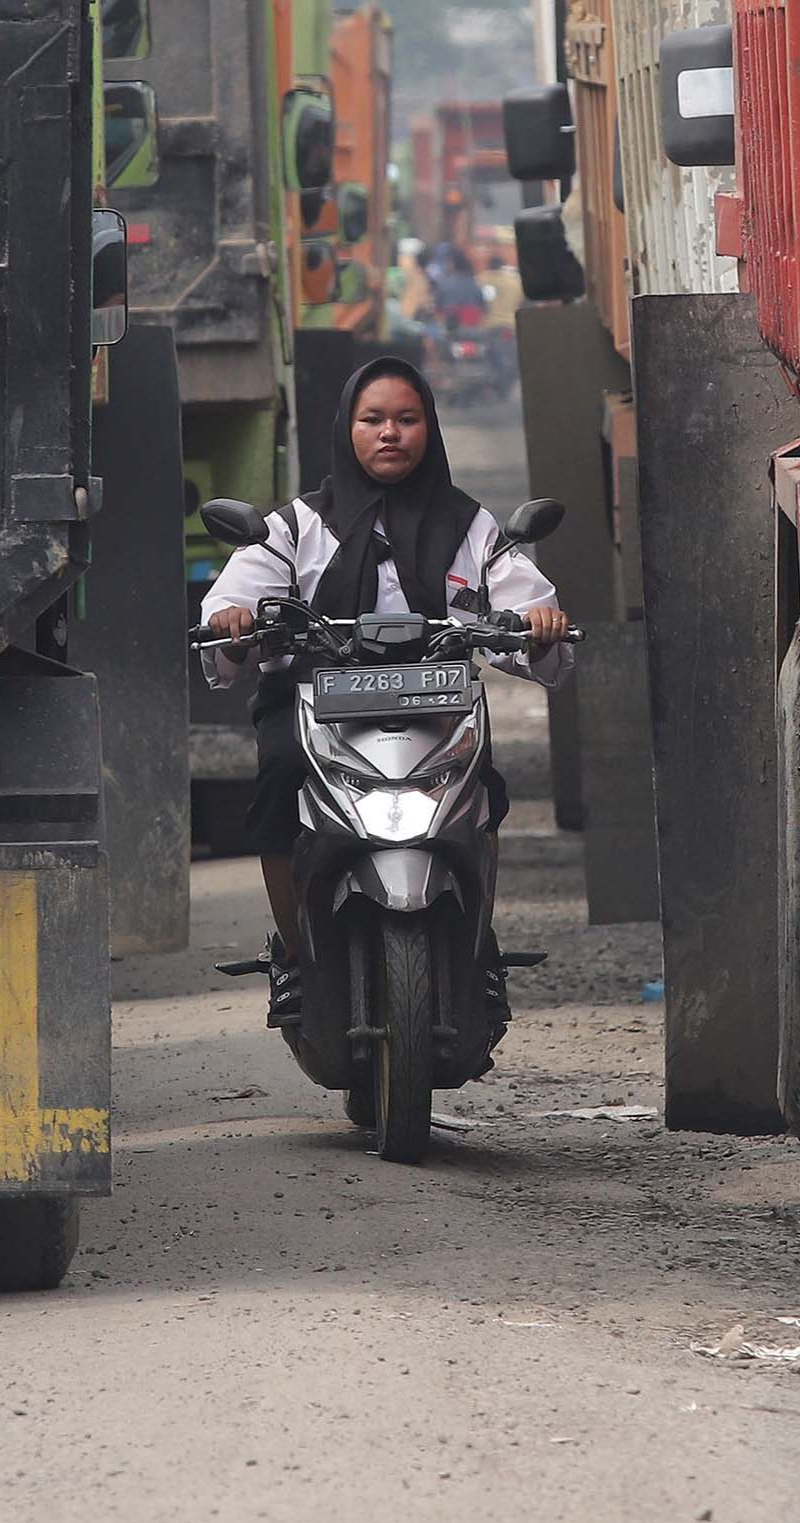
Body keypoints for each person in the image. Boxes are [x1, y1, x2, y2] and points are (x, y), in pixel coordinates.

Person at [200, 358, 572, 1025]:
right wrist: (232, 623)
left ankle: (476, 948)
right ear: (347, 429)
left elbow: (523, 608)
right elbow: (233, 603)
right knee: (278, 782)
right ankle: (293, 957)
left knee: (482, 794)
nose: (390, 433)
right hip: (316, 704)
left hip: (436, 704)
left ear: (429, 427)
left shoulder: (471, 527)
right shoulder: (293, 527)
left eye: (407, 419)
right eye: (373, 420)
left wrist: (540, 626)